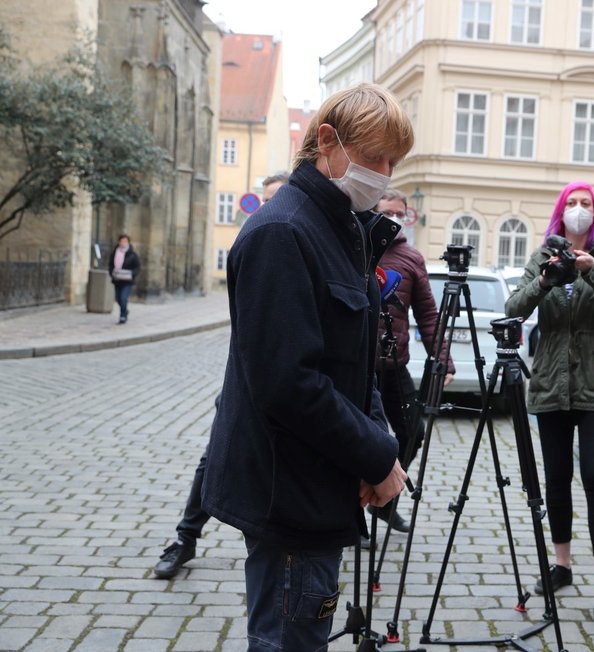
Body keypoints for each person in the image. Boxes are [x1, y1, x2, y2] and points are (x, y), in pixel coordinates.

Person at [201, 83, 410, 650]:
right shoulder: (283, 231)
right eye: (375, 158)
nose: (385, 173)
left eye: (393, 162)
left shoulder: (338, 225)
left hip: (318, 481)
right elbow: (289, 384)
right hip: (288, 489)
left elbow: (355, 358)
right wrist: (376, 454)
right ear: (327, 142)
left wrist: (375, 446)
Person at [504, 181, 594, 622]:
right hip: (549, 383)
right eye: (571, 203)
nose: (578, 210)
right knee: (556, 479)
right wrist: (544, 280)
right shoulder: (543, 254)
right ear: (560, 211)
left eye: (586, 204)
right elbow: (514, 307)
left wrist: (593, 268)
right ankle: (562, 565)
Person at [152, 172, 289, 580]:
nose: (268, 207)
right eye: (264, 199)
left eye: (275, 199)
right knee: (214, 458)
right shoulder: (258, 238)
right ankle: (185, 538)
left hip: (290, 383)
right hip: (244, 380)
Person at [368, 188, 455, 534]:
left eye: (399, 214)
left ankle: (385, 501)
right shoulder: (357, 247)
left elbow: (429, 315)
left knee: (412, 432)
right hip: (359, 368)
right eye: (386, 211)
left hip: (394, 364)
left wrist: (443, 359)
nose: (392, 218)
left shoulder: (411, 257)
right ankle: (351, 513)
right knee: (358, 440)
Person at [108, 234, 140, 324]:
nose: (123, 243)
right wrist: (111, 273)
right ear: (119, 242)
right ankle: (125, 310)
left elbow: (137, 267)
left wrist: (132, 274)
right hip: (117, 279)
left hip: (127, 280)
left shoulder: (133, 255)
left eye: (125, 241)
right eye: (122, 241)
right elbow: (110, 264)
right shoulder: (115, 253)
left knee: (123, 298)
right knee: (118, 299)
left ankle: (122, 316)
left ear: (128, 243)